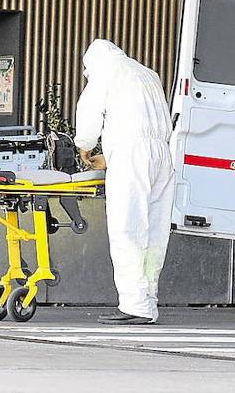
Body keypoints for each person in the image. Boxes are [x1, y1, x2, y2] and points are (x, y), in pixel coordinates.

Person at [74, 39, 175, 326]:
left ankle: (134, 304)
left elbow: (90, 108)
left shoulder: (107, 69)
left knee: (127, 228)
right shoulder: (146, 73)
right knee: (155, 232)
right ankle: (148, 299)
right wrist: (111, 154)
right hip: (161, 156)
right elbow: (142, 122)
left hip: (133, 157)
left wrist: (85, 144)